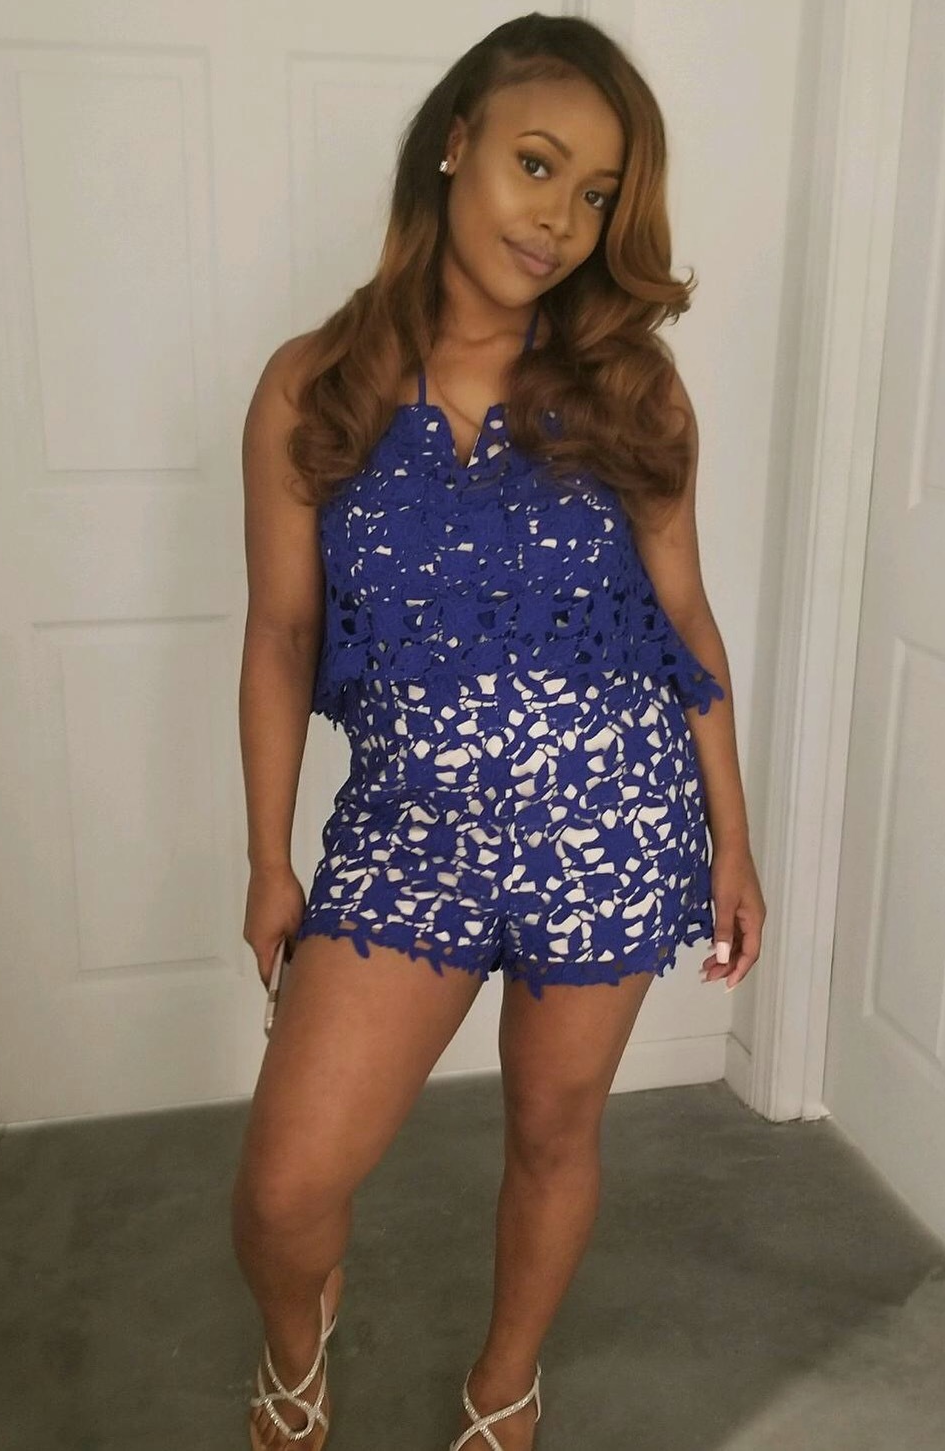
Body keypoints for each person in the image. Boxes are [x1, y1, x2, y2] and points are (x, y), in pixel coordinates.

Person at [231, 13, 765, 1448]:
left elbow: (688, 618)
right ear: (454, 143)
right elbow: (280, 636)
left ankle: (504, 1383)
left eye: (597, 194)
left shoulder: (630, 388)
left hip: (615, 829)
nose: (561, 220)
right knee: (285, 1189)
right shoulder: (313, 385)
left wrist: (733, 838)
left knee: (551, 1134)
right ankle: (297, 1347)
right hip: (409, 837)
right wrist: (271, 860)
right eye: (537, 164)